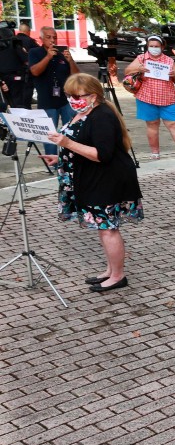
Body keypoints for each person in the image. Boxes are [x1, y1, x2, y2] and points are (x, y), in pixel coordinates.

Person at [44, 73, 143, 293]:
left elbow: (102, 154)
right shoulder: (83, 113)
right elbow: (81, 146)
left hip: (107, 180)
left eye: (78, 95)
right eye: (69, 95)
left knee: (109, 229)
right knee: (103, 227)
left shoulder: (102, 116)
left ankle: (118, 276)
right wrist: (61, 156)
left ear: (94, 95)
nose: (73, 99)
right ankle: (110, 269)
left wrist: (67, 143)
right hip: (90, 178)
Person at [122, 34, 175, 161]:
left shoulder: (168, 60)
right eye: (151, 46)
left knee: (173, 125)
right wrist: (138, 69)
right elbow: (127, 71)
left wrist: (174, 75)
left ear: (162, 47)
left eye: (156, 46)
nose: (154, 48)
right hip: (146, 97)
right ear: (147, 46)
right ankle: (155, 152)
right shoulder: (141, 58)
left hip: (167, 98)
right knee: (152, 124)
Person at [27, 26, 80, 154]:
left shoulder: (61, 53)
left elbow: (76, 76)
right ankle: (53, 162)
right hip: (47, 101)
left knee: (72, 130)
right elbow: (34, 71)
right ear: (41, 39)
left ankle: (71, 158)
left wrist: (70, 61)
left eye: (54, 37)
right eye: (48, 37)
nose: (52, 40)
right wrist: (48, 57)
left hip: (65, 100)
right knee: (50, 134)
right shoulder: (35, 52)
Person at [0, 24, 31, 109]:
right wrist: (24, 52)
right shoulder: (15, 40)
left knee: (8, 104)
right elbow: (25, 58)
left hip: (3, 79)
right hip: (16, 78)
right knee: (20, 104)